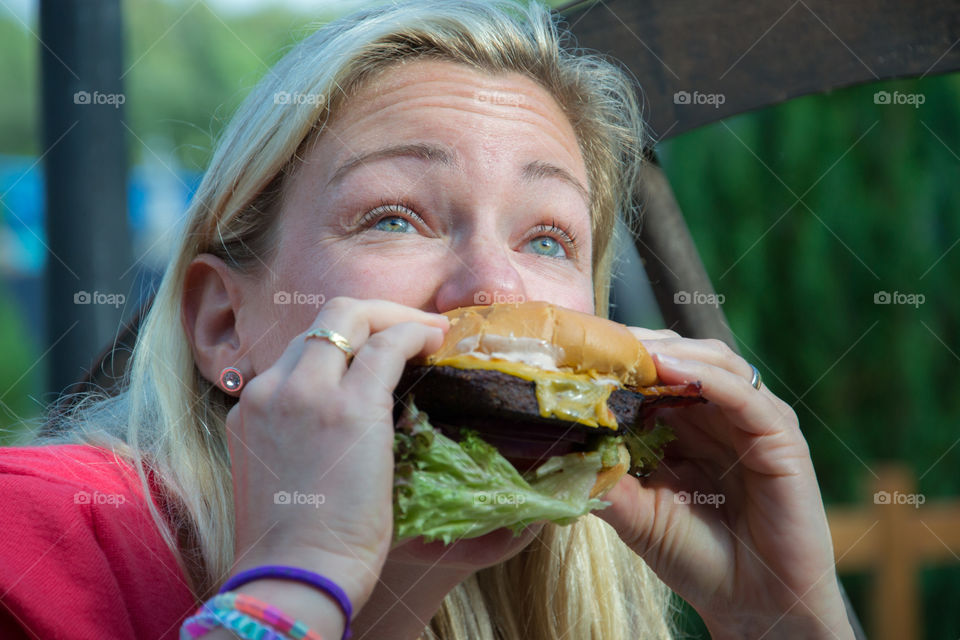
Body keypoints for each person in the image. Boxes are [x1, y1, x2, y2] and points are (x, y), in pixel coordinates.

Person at [0, 1, 855, 638]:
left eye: (548, 237)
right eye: (393, 217)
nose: (492, 287)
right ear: (225, 323)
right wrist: (299, 576)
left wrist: (783, 623)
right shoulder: (29, 545)